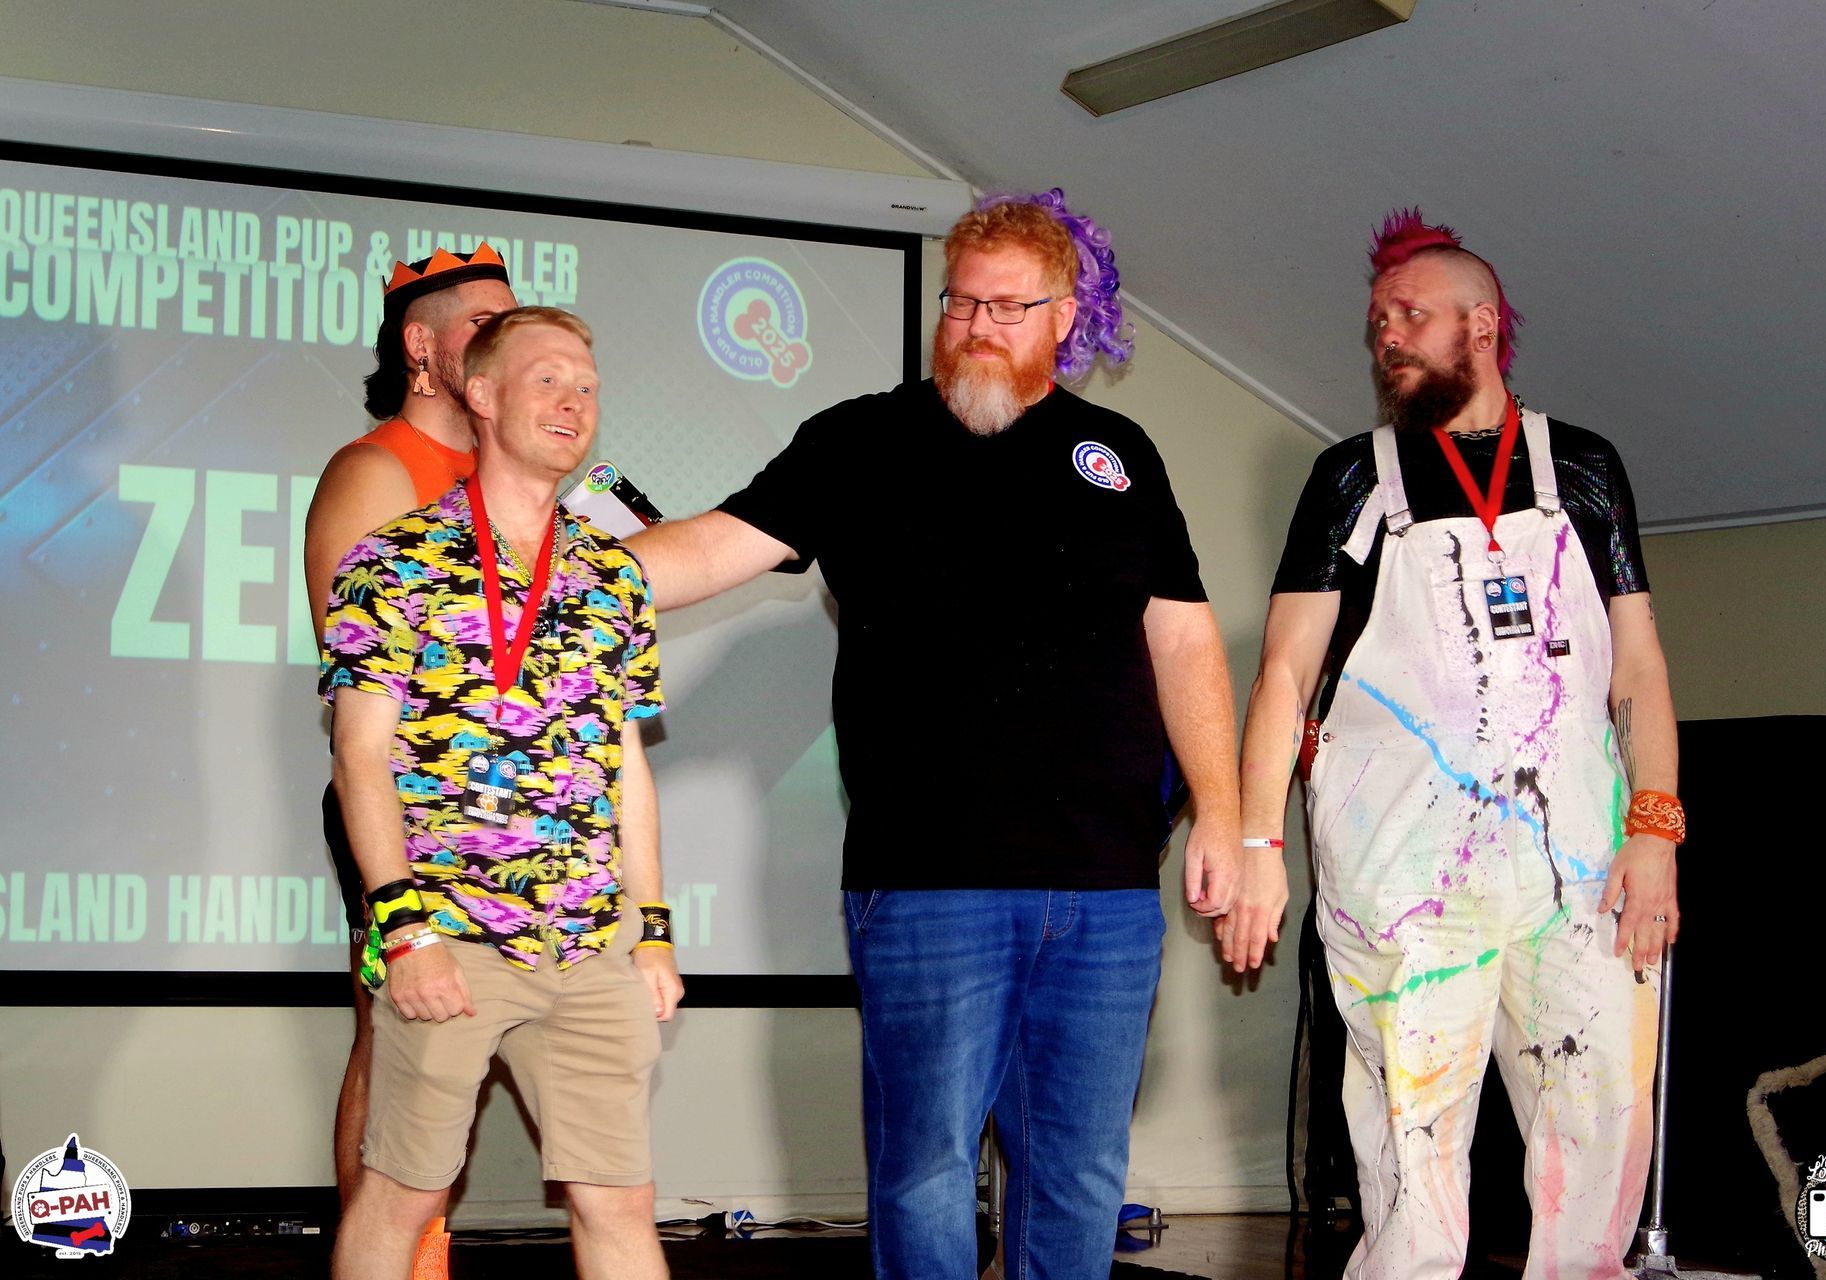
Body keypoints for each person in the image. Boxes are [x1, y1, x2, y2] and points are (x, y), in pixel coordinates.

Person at [629, 190, 1240, 1279]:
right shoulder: (859, 440)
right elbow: (711, 547)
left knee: (1080, 1171)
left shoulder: (1117, 454)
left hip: (1105, 890)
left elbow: (1185, 641)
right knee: (923, 1169)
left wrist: (1227, 814)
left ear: (1064, 317)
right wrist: (550, 566)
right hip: (927, 882)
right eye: (960, 303)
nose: (976, 327)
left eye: (1008, 308)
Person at [1227, 210, 1683, 1279]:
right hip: (1405, 877)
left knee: (1600, 1126)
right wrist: (1256, 846)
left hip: (1578, 866)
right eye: (1378, 321)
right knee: (1412, 1138)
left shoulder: (1584, 466)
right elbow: (1285, 675)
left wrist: (1655, 828)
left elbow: (1639, 668)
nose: (1386, 336)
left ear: (1482, 324)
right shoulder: (1353, 477)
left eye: (1409, 316)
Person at [322, 307, 680, 1280]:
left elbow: (625, 764)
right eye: (547, 378)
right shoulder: (391, 562)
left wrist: (652, 931)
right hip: (450, 935)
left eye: (587, 385)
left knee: (622, 1201)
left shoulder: (612, 576)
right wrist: (405, 930)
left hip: (591, 943)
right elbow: (359, 756)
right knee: (401, 1196)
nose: (573, 401)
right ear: (480, 393)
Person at [302, 244, 518, 1217]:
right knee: (397, 1047)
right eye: (485, 323)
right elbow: (360, 676)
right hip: (408, 811)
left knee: (475, 1066)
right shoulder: (375, 471)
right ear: (420, 347)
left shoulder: (514, 476)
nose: (509, 340)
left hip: (519, 823)